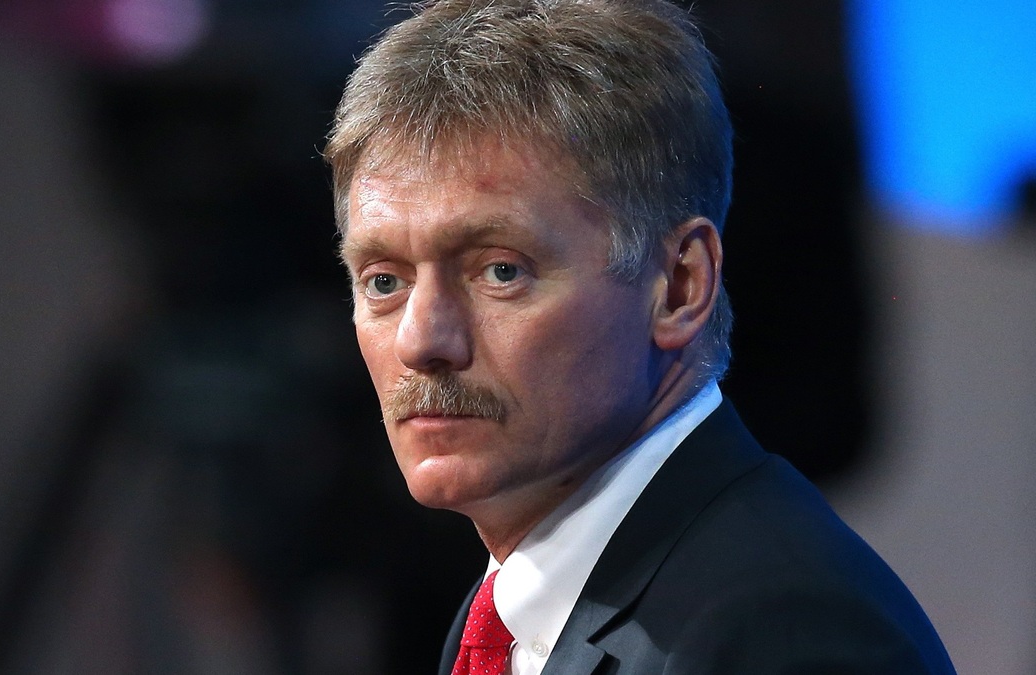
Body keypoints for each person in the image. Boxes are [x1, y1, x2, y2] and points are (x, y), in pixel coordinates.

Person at [324, 0, 956, 672]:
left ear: (680, 286)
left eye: (501, 270)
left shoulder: (781, 630)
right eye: (384, 281)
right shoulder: (508, 610)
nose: (421, 340)